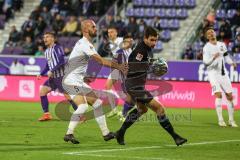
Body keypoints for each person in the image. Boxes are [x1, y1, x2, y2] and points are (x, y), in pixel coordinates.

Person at [114, 26, 187, 146]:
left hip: (137, 85)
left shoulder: (147, 49)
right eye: (152, 40)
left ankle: (120, 133)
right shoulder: (141, 50)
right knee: (159, 108)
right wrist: (152, 68)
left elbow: (144, 64)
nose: (154, 43)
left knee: (142, 109)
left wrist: (155, 64)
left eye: (156, 40)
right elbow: (133, 67)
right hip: (134, 86)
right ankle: (176, 137)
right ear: (145, 38)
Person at [62, 19, 128, 144]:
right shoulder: (84, 44)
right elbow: (100, 61)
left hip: (77, 80)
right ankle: (69, 133)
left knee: (97, 102)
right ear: (85, 29)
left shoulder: (86, 44)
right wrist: (119, 66)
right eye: (93, 27)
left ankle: (106, 133)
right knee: (83, 106)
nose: (95, 29)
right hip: (70, 80)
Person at [37, 32, 78, 121]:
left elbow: (62, 61)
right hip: (52, 78)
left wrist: (52, 70)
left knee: (68, 97)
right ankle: (47, 114)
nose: (45, 39)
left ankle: (80, 115)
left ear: (52, 38)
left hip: (61, 77)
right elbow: (48, 66)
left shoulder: (57, 48)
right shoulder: (47, 51)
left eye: (47, 37)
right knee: (42, 92)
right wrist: (41, 73)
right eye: (44, 37)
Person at [203, 27, 238, 127]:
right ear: (207, 37)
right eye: (209, 33)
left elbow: (226, 57)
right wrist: (213, 57)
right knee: (218, 95)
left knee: (230, 96)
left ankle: (231, 121)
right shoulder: (206, 47)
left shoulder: (222, 45)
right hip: (213, 74)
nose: (211, 34)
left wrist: (232, 63)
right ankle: (221, 120)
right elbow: (205, 62)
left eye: (212, 32)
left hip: (223, 74)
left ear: (215, 34)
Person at [106, 34, 135, 122]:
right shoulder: (120, 52)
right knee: (131, 98)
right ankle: (122, 114)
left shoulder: (132, 51)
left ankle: (122, 113)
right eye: (127, 41)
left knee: (133, 100)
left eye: (130, 41)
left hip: (131, 77)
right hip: (125, 77)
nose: (129, 42)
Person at [105, 26, 123, 118]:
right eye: (108, 32)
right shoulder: (111, 44)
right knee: (107, 86)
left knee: (127, 91)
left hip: (124, 67)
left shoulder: (121, 41)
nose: (110, 34)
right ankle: (114, 110)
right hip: (117, 68)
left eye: (111, 32)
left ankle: (137, 108)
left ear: (116, 33)